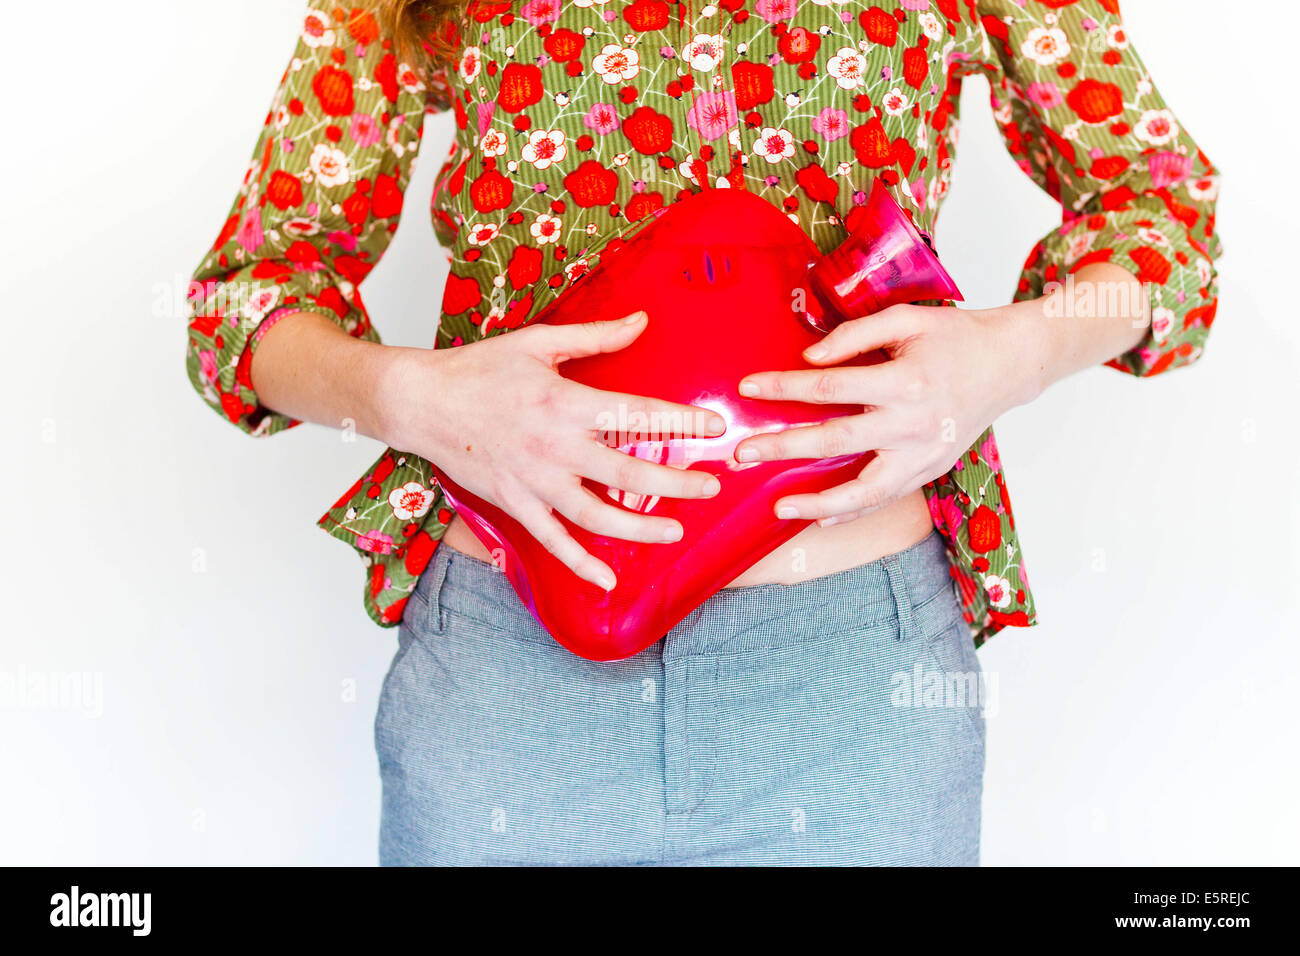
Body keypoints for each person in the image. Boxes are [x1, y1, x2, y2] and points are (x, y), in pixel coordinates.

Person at [185, 0, 1222, 865]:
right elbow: (249, 299)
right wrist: (411, 397)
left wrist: (1009, 355)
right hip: (510, 681)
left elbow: (1164, 220)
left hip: (851, 687)